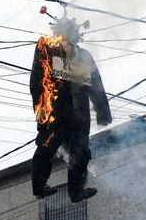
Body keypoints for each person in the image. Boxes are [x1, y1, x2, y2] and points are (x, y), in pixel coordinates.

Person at [29, 14, 112, 202]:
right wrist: (41, 107)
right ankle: (39, 188)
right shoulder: (47, 50)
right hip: (54, 111)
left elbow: (96, 84)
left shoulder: (84, 56)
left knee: (81, 151)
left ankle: (76, 191)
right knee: (46, 147)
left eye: (70, 36)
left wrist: (102, 110)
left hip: (78, 114)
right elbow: (36, 80)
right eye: (63, 35)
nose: (66, 41)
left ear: (76, 37)